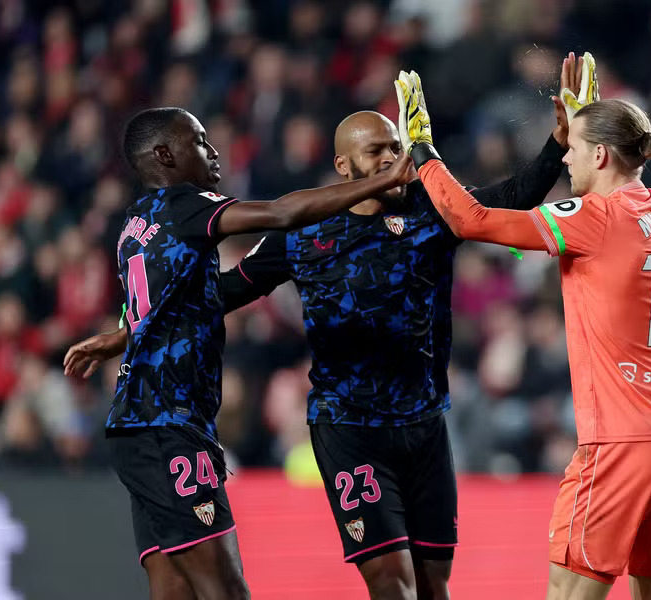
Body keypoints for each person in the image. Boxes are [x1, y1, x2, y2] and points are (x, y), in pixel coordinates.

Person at [66, 58, 580, 598]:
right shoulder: (307, 231)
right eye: (377, 151)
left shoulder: (434, 208)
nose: (393, 157)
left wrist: (557, 145)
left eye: (396, 146)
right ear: (344, 165)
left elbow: (509, 199)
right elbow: (228, 289)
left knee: (433, 584)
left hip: (425, 421)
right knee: (391, 583)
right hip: (347, 425)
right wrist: (131, 331)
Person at [66, 106, 411, 600]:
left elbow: (162, 297)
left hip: (136, 426)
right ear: (165, 154)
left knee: (174, 593)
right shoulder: (188, 206)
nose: (214, 152)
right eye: (200, 141)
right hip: (170, 427)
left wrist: (122, 334)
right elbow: (281, 214)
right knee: (225, 592)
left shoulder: (136, 221)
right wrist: (378, 183)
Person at [395, 61, 651, 600]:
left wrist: (422, 149)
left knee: (566, 592)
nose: (565, 157)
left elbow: (471, 220)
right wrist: (584, 119)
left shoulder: (593, 219)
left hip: (620, 444)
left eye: (575, 148)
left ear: (602, 156)